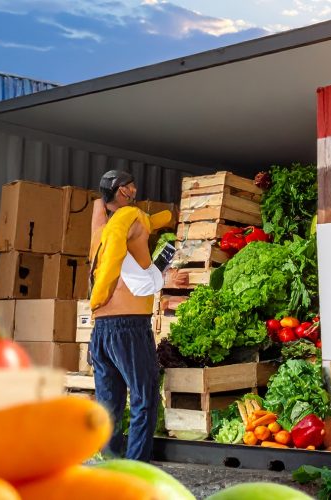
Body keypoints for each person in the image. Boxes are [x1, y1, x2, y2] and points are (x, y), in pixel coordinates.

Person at [87, 169, 183, 460]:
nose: (135, 190)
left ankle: (111, 466)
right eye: (131, 186)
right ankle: (137, 466)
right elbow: (120, 249)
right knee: (144, 396)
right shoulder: (128, 221)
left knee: (109, 402)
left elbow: (141, 224)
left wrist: (168, 216)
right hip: (128, 327)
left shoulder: (97, 230)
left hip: (101, 330)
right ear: (123, 192)